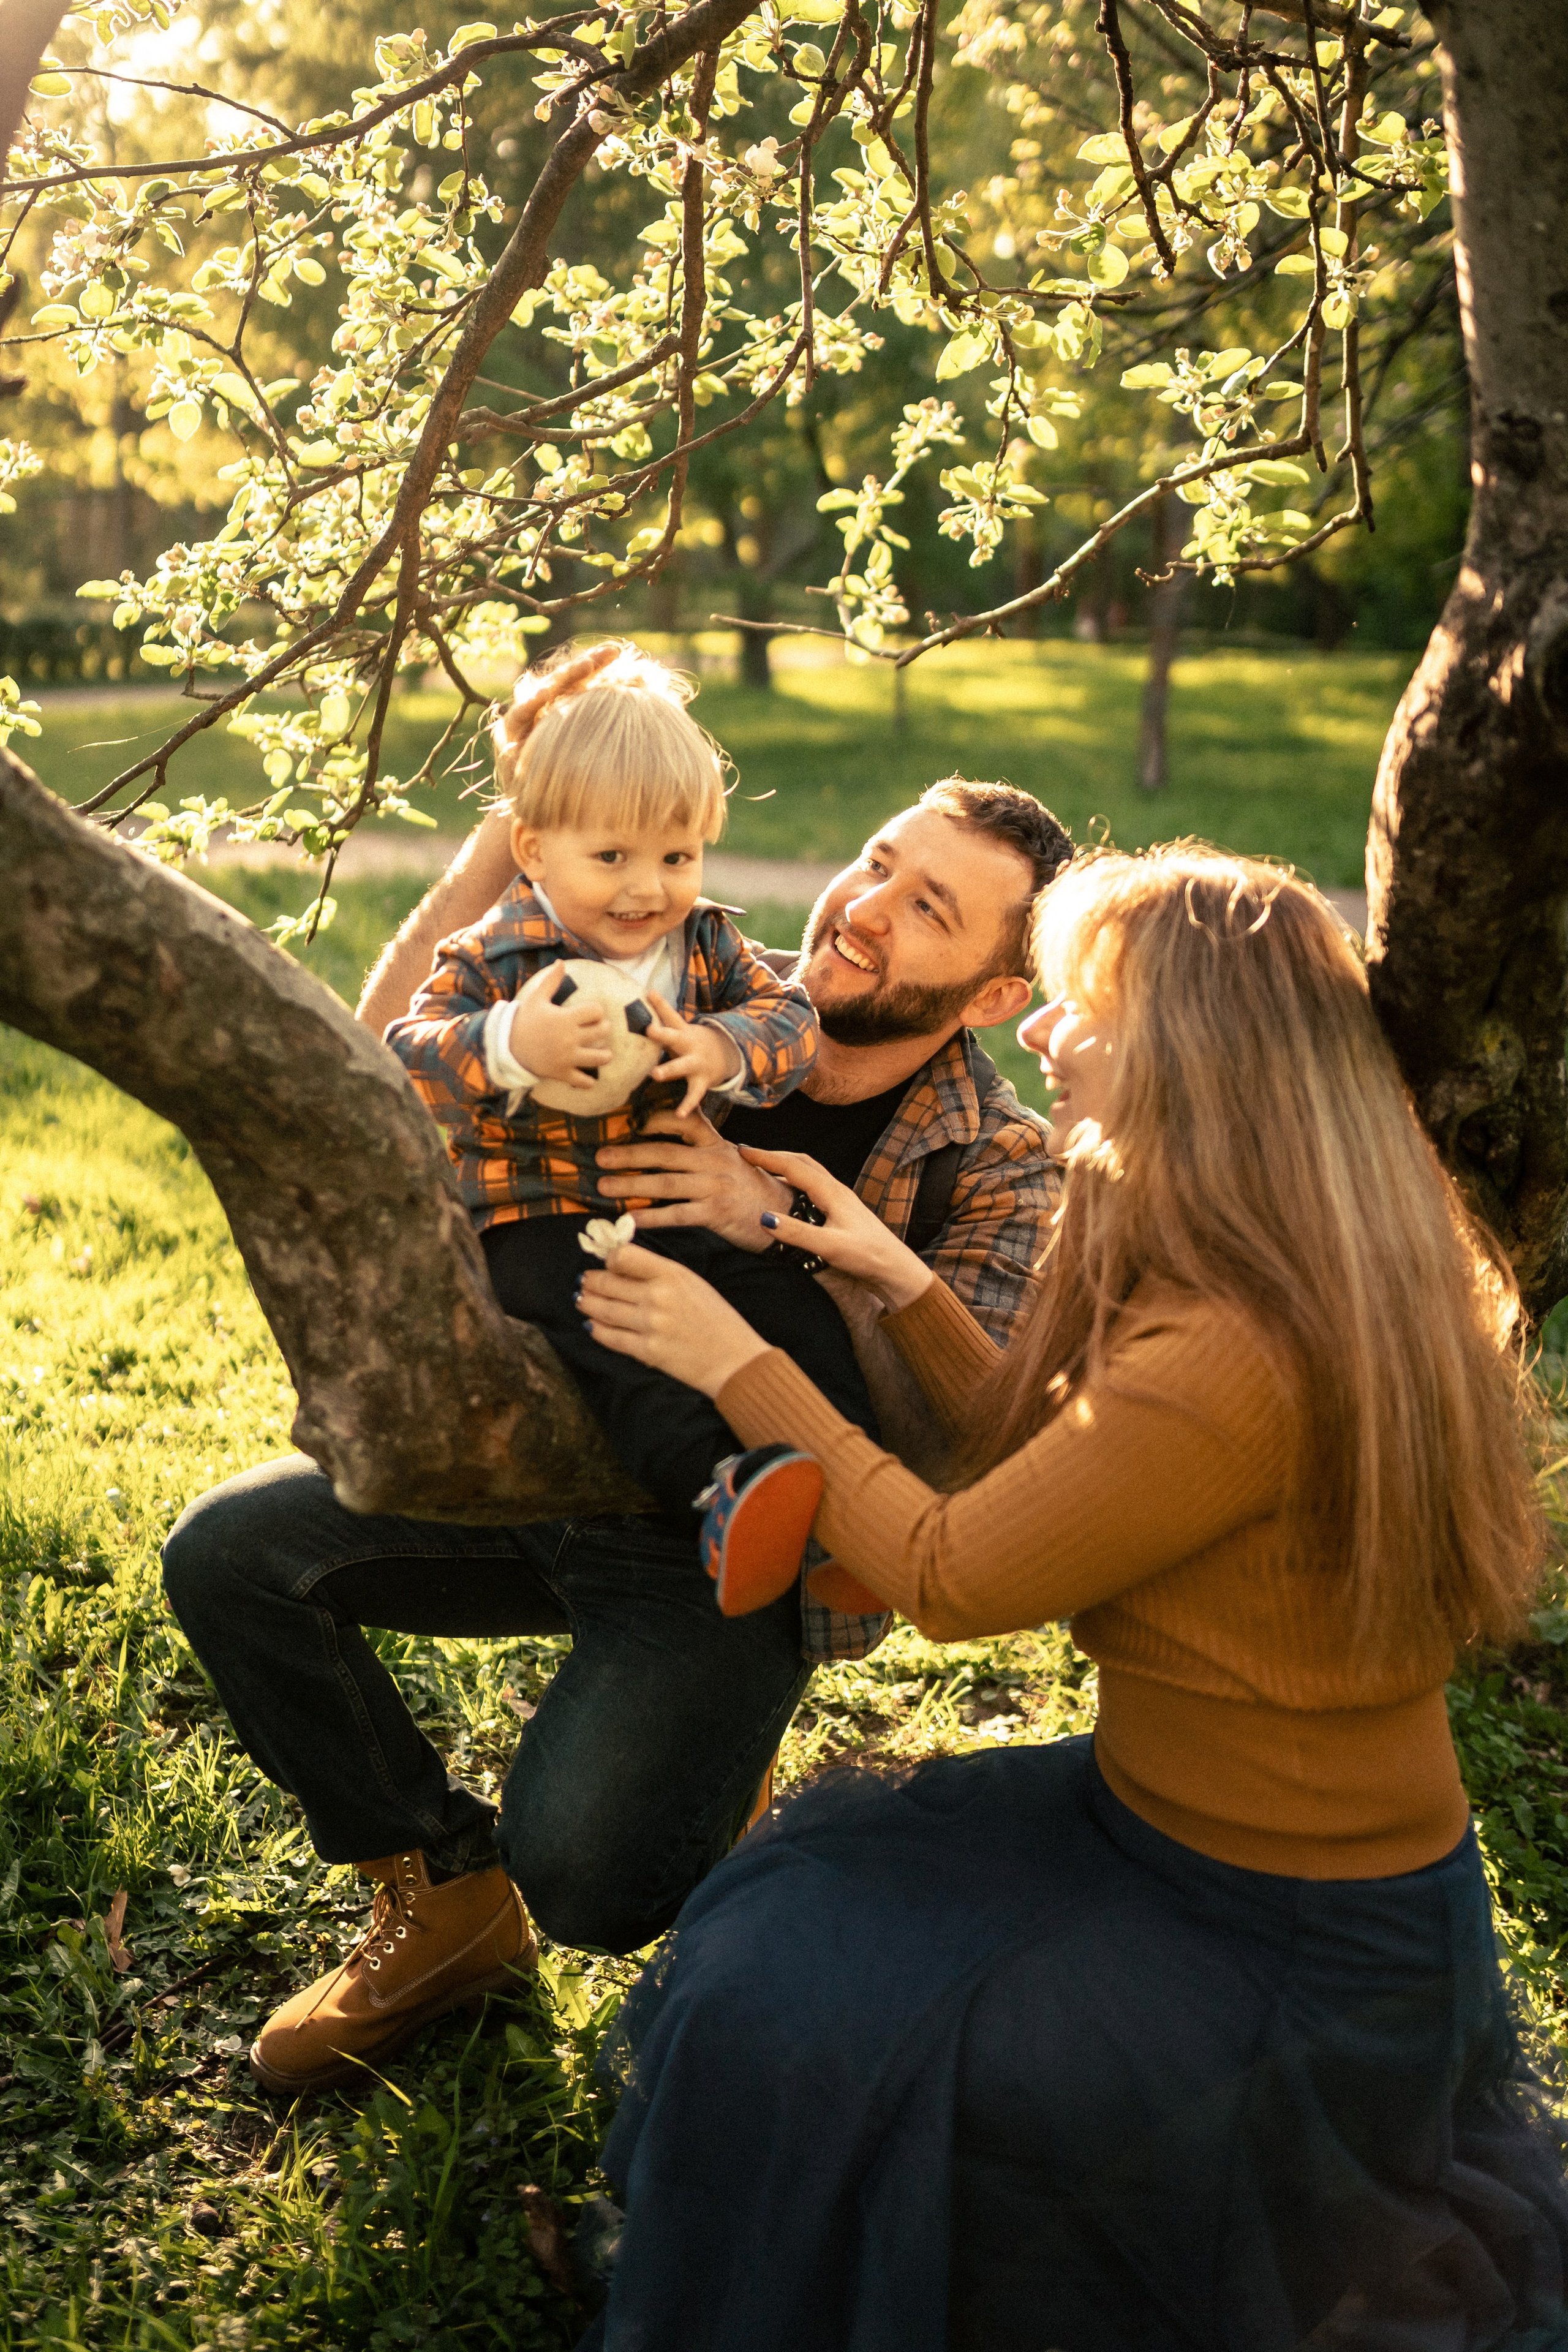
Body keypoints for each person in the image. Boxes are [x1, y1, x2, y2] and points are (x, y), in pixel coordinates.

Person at [573, 845, 1568, 2351]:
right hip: (1154, 1827)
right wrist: (893, 1278)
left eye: (1080, 1000)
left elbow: (957, 1574)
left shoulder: (1239, 1351)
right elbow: (1065, 1468)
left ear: (1189, 1049)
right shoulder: (1268, 1257)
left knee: (801, 2006)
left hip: (1277, 1937)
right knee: (791, 1918)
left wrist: (733, 1362)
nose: (1036, 1028)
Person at [159, 764, 1071, 2097]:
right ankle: (445, 1906)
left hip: (730, 1551)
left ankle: (711, 1768)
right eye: (875, 860)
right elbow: (386, 1065)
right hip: (530, 1469)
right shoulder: (700, 979)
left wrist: (785, 1233)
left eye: (926, 908)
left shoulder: (993, 1158)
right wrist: (514, 826)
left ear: (996, 995)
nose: (863, 909)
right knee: (231, 1559)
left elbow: (958, 1435)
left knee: (590, 1877)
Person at [383, 637, 879, 1609]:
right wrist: (510, 1041)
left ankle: (858, 1507)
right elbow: (407, 1055)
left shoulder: (704, 944)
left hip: (679, 1205)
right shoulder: (496, 956)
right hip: (540, 1222)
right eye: (610, 856)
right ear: (533, 849)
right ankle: (721, 1497)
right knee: (615, 1345)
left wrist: (724, 1047)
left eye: (676, 855)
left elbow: (792, 1020)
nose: (646, 887)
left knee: (797, 1314)